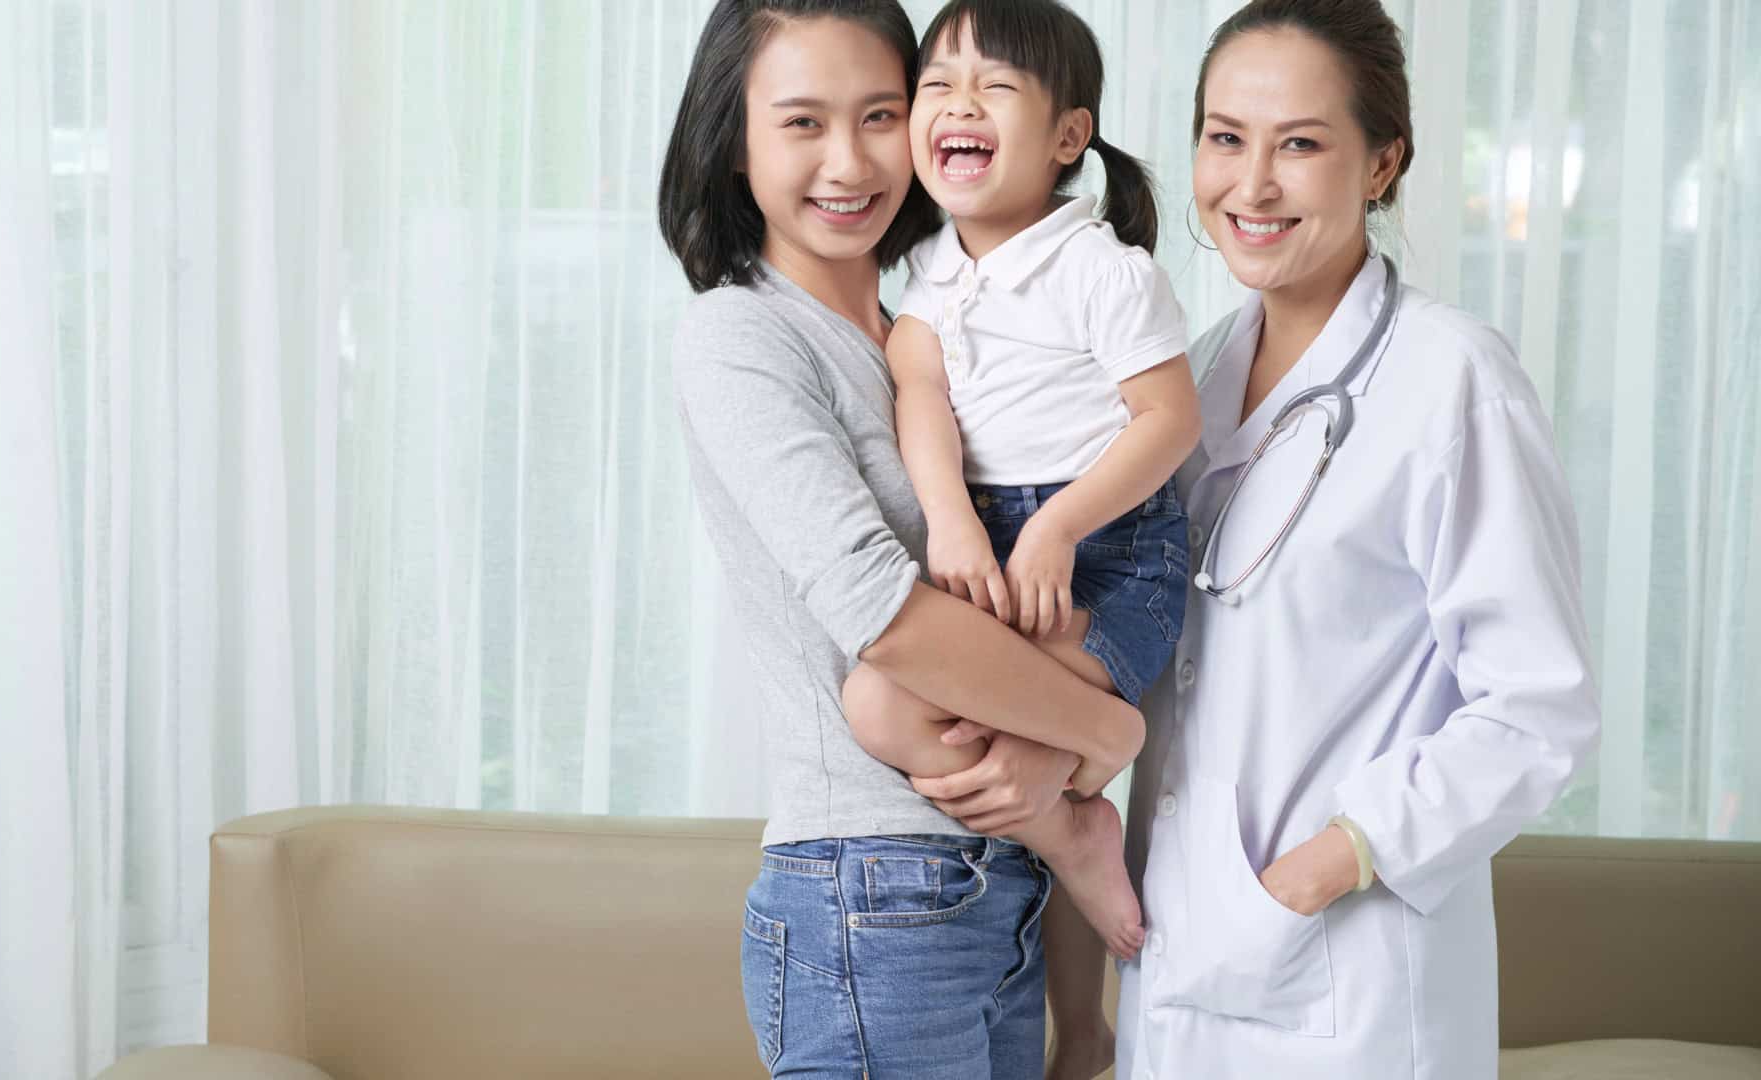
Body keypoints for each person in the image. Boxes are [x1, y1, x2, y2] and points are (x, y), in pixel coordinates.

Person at [1113, 1, 1601, 1076]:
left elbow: (1539, 706)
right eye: (1225, 138)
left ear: (1383, 163)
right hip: (1178, 969)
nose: (1251, 186)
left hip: (1350, 978)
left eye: (1301, 144)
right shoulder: (1186, 385)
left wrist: (1323, 869)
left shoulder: (1451, 382)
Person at [659, 2, 1146, 1076]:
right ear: (731, 141)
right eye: (801, 123)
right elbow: (881, 613)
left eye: (881, 114)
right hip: (873, 895)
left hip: (999, 888)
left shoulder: (948, 330)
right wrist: (1105, 741)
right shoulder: (740, 336)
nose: (849, 162)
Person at [833, 0, 1198, 1072]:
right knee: (890, 704)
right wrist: (951, 518)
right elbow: (920, 396)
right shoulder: (929, 279)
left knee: (938, 714)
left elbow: (1169, 422)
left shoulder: (1103, 268)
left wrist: (1057, 529)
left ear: (1067, 137)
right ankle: (1072, 840)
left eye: (994, 87)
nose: (958, 105)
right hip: (988, 545)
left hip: (1110, 553)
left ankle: (1079, 840)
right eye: (937, 86)